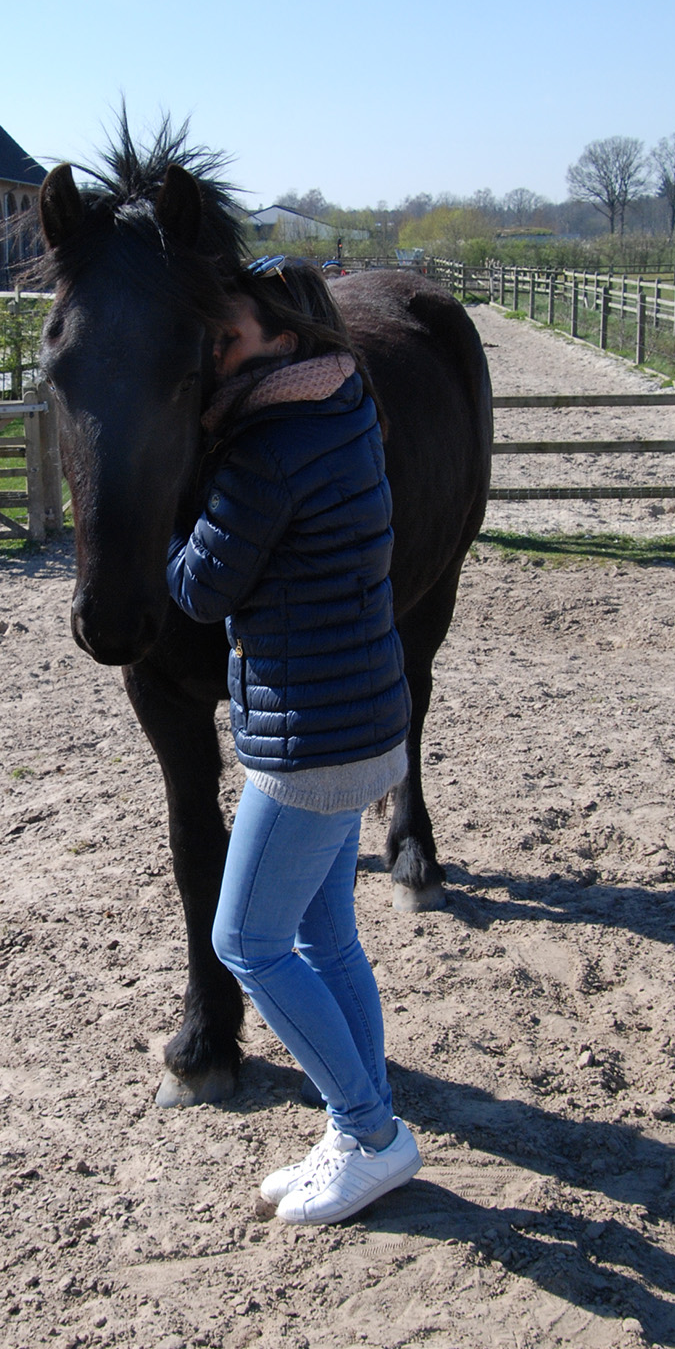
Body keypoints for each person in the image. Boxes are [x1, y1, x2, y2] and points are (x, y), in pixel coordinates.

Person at [166, 259, 422, 1226]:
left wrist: (164, 516)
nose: (214, 359)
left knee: (245, 942)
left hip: (312, 738)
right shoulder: (342, 403)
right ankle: (364, 1125)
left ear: (283, 338)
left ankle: (370, 1132)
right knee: (326, 935)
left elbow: (198, 588)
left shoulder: (270, 446)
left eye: (227, 340)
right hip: (359, 718)